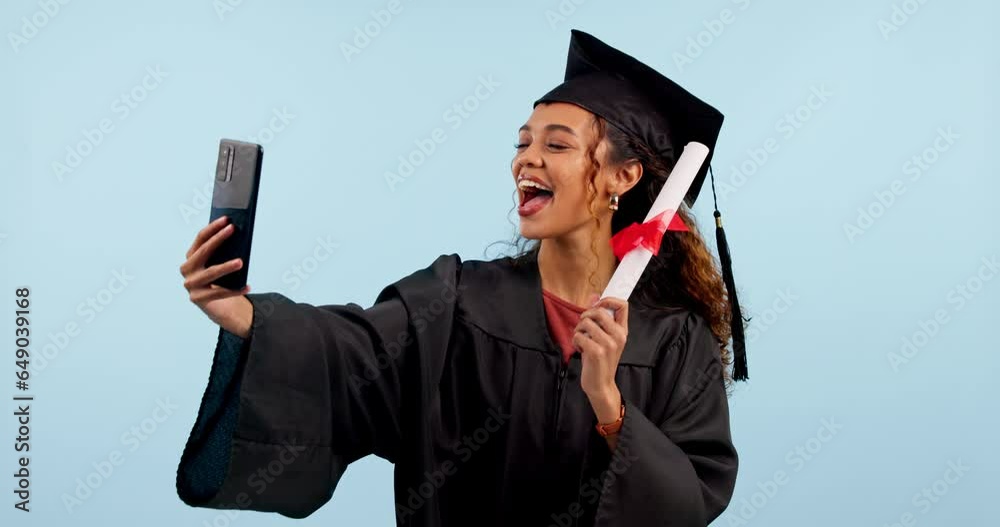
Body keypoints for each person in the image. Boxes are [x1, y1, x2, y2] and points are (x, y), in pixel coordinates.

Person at [175, 29, 747, 527]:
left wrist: (609, 404)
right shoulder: (458, 300)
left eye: (556, 144)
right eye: (523, 142)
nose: (527, 159)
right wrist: (249, 317)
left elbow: (690, 502)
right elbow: (354, 354)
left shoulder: (675, 340)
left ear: (623, 176)